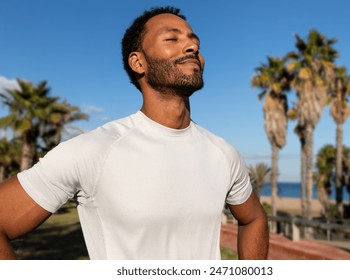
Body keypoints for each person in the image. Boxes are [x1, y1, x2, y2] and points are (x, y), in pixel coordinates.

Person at [0, 6, 268, 260]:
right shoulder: (94, 150)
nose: (193, 46)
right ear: (138, 62)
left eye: (194, 41)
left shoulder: (223, 153)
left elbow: (254, 218)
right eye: (172, 39)